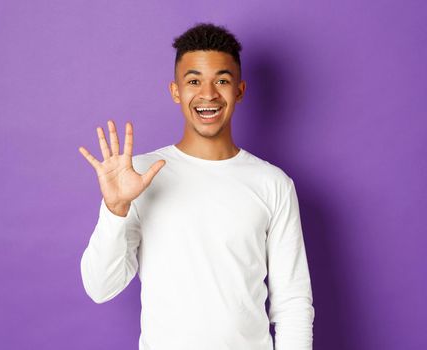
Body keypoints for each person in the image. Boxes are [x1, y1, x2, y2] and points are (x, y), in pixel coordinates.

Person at [78, 22, 315, 350]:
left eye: (222, 80)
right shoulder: (141, 175)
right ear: (176, 91)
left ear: (240, 91)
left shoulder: (273, 184)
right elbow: (100, 287)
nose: (208, 94)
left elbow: (293, 303)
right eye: (193, 81)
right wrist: (115, 209)